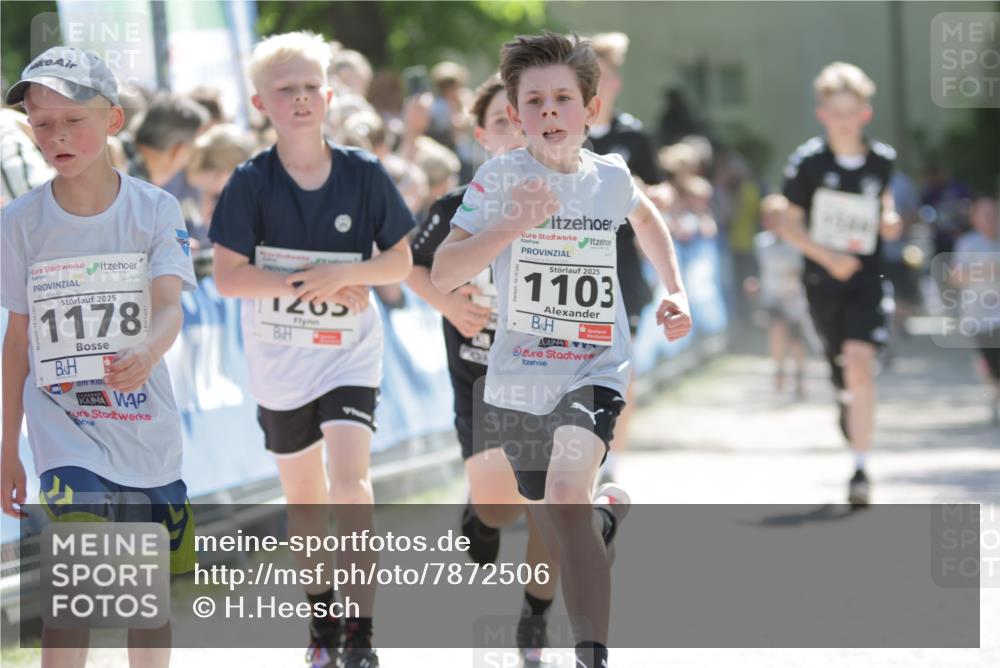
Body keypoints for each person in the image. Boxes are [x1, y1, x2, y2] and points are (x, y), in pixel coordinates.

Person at [431, 32, 692, 668]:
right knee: (553, 514)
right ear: (515, 116)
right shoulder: (498, 178)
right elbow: (443, 271)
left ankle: (591, 652)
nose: (550, 112)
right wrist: (510, 225)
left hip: (595, 366)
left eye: (563, 99)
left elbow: (648, 218)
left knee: (566, 494)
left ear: (590, 111)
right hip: (520, 376)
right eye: (535, 101)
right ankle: (601, 527)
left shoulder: (611, 177)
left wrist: (676, 289)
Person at [208, 31, 414, 668]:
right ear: (259, 103)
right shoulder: (250, 182)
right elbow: (228, 275)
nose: (299, 100)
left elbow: (401, 263)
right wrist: (314, 279)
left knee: (350, 486)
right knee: (305, 499)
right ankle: (321, 624)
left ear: (329, 96)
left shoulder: (364, 173)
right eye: (284, 90)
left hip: (350, 352)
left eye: (309, 89)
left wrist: (352, 275)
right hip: (279, 359)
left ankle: (361, 635)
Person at [1, 46, 197, 668]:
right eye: (41, 123)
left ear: (112, 120)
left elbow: (170, 305)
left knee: (144, 600)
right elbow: (17, 342)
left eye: (72, 119)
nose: (56, 135)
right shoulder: (19, 222)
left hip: (143, 428)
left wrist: (147, 347)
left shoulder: (155, 209)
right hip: (64, 433)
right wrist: (8, 446)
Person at [406, 74, 558, 666]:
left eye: (522, 118)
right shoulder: (453, 207)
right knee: (501, 505)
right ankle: (481, 508)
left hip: (548, 376)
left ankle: (536, 616)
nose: (514, 129)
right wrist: (446, 301)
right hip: (482, 378)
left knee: (546, 498)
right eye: (501, 121)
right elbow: (411, 266)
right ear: (480, 135)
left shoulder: (564, 198)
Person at [780, 62, 902, 507]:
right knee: (841, 367)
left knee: (859, 360)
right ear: (823, 113)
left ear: (866, 113)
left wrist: (889, 223)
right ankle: (846, 401)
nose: (845, 119)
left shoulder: (882, 161)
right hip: (824, 281)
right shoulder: (808, 164)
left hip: (868, 279)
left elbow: (884, 210)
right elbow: (788, 225)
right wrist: (829, 258)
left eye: (853, 111)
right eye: (837, 111)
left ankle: (861, 468)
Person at [587, 32, 661, 484]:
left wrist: (647, 192)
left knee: (621, 366)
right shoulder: (562, 132)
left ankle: (611, 462)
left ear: (616, 83)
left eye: (606, 76)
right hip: (571, 268)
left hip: (624, 269)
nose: (600, 84)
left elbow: (659, 189)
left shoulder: (633, 135)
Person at [745, 195, 809, 397]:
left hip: (795, 299)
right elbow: (755, 267)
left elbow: (807, 269)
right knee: (776, 329)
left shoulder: (799, 242)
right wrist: (753, 281)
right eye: (770, 217)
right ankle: (779, 369)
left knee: (796, 339)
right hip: (772, 296)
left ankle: (799, 373)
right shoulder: (761, 242)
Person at [953, 195, 1000, 425]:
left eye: (994, 214)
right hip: (979, 316)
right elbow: (958, 277)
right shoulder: (968, 244)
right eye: (985, 215)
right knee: (992, 363)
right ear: (975, 219)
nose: (991, 220)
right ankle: (994, 397)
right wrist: (989, 270)